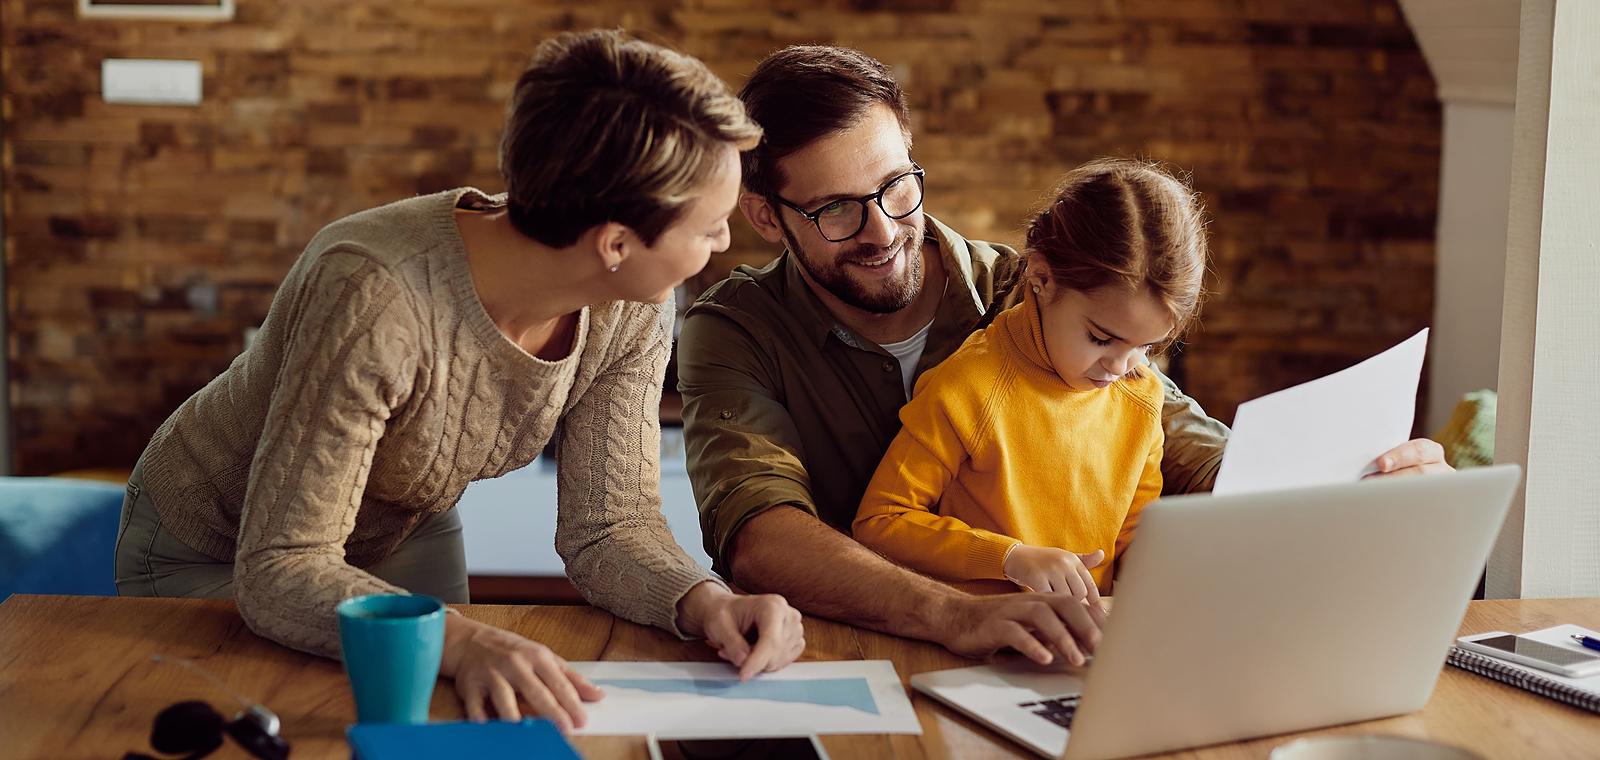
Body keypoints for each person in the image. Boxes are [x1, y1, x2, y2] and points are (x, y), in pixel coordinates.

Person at [113, 30, 805, 732]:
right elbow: (280, 565)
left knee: (452, 731)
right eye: (713, 225)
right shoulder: (374, 291)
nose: (725, 243)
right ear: (617, 243)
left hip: (402, 519)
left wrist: (705, 601)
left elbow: (609, 525)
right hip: (222, 543)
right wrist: (464, 638)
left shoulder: (634, 302)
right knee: (295, 733)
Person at [676, 45, 1453, 667]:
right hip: (833, 663)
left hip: (1054, 655)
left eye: (897, 187)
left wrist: (1349, 484)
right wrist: (961, 612)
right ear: (766, 218)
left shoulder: (1035, 293)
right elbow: (761, 535)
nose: (883, 230)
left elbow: (1186, 448)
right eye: (837, 209)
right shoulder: (733, 329)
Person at [853, 159, 1209, 648]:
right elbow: (880, 522)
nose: (1124, 367)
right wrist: (1009, 556)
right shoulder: (968, 386)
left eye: (1147, 347)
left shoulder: (1142, 397)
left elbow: (1130, 543)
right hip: (974, 650)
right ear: (1041, 278)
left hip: (1081, 650)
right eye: (1101, 338)